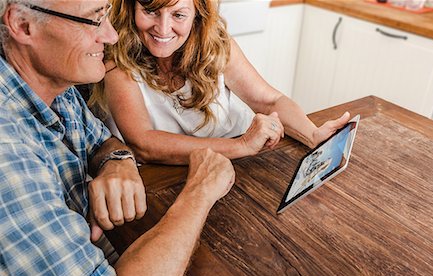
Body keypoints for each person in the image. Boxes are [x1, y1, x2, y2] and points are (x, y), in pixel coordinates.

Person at [0, 0, 234, 276]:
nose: (111, 36)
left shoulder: (54, 85)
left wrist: (117, 162)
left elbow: (103, 142)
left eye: (106, 15)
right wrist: (200, 192)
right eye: (93, 20)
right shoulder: (7, 150)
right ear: (22, 25)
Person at [89, 0, 351, 165]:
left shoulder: (216, 45)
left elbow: (270, 100)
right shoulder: (117, 58)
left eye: (178, 15)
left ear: (197, 15)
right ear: (132, 6)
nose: (163, 28)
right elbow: (144, 144)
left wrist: (313, 134)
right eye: (150, 11)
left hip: (242, 166)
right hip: (176, 181)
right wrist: (242, 145)